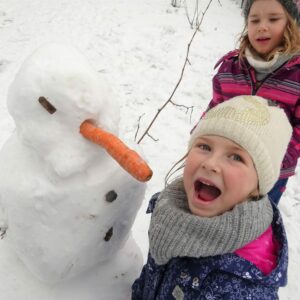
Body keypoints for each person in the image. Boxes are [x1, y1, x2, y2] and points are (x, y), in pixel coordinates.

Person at [132, 95, 291, 300]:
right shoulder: (168, 214)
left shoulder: (246, 289)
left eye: (236, 157)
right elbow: (152, 276)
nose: (210, 163)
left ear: (257, 186)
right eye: (205, 147)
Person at [206, 0, 300, 205]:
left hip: (270, 175)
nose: (262, 26)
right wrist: (202, 143)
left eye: (273, 19)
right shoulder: (231, 68)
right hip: (224, 165)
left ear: (291, 24)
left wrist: (269, 162)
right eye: (254, 19)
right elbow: (215, 110)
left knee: (257, 224)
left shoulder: (297, 76)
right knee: (217, 215)